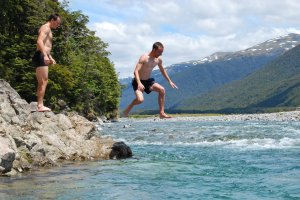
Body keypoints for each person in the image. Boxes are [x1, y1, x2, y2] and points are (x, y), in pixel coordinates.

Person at [124, 42, 178, 118]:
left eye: (162, 52)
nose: (161, 54)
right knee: (140, 100)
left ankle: (161, 113)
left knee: (162, 90)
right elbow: (135, 71)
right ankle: (129, 108)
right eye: (159, 52)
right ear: (154, 49)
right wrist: (139, 83)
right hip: (138, 81)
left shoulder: (158, 60)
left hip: (148, 81)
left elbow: (162, 70)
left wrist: (170, 81)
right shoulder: (144, 58)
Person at [32, 14, 61, 112]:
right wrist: (45, 55)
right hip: (41, 55)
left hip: (41, 55)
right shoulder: (46, 28)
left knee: (42, 82)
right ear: (52, 20)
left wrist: (50, 56)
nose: (58, 25)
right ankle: (40, 105)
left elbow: (45, 45)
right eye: (57, 23)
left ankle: (40, 105)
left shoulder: (47, 29)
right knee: (44, 81)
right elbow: (39, 42)